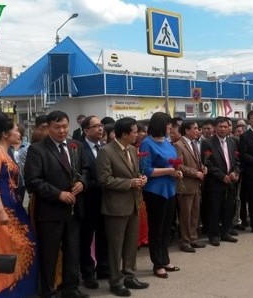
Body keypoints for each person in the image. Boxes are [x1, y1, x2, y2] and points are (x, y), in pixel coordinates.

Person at [24, 111, 89, 298]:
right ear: (48, 127)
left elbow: (86, 169)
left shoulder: (76, 146)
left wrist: (82, 182)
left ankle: (70, 287)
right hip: (50, 212)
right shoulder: (38, 149)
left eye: (65, 127)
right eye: (57, 127)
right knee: (49, 254)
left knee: (72, 251)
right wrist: (58, 194)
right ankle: (48, 290)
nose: (62, 131)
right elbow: (33, 181)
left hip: (74, 210)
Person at [0, 116, 38, 297]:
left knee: (25, 246)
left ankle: (19, 291)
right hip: (0, 208)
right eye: (15, 129)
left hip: (13, 206)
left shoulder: (7, 153)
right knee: (2, 252)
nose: (19, 133)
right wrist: (0, 211)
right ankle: (2, 293)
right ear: (5, 134)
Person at [96, 117, 149, 297]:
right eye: (134, 131)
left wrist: (141, 179)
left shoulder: (133, 149)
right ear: (124, 134)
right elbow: (104, 179)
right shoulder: (106, 151)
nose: (138, 134)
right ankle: (115, 281)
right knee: (115, 246)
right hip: (115, 207)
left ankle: (129, 275)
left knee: (130, 244)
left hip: (133, 203)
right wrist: (129, 183)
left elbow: (133, 172)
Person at [140, 112, 182, 278]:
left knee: (166, 228)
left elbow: (173, 161)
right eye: (168, 125)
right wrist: (169, 171)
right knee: (156, 228)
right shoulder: (147, 143)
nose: (170, 128)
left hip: (170, 189)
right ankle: (157, 263)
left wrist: (176, 172)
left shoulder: (167, 142)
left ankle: (165, 258)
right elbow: (145, 170)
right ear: (160, 124)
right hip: (155, 191)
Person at [78, 116, 109, 289]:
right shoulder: (79, 148)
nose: (99, 129)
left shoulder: (104, 147)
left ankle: (104, 268)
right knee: (86, 238)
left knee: (104, 235)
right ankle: (88, 273)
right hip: (88, 200)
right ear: (86, 130)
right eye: (95, 126)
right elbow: (82, 174)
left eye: (101, 125)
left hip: (105, 200)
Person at [201, 116, 240, 246]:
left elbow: (236, 161)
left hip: (231, 182)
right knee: (214, 209)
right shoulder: (208, 143)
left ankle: (225, 232)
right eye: (220, 127)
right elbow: (208, 163)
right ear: (215, 128)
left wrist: (235, 172)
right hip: (215, 182)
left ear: (229, 128)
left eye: (225, 126)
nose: (223, 129)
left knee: (229, 208)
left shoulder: (232, 142)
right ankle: (214, 235)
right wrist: (222, 176)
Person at [174, 121, 206, 253]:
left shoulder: (195, 144)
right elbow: (179, 165)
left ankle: (193, 238)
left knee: (194, 213)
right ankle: (185, 240)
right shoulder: (179, 145)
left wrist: (203, 168)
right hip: (186, 184)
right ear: (186, 131)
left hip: (196, 184)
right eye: (195, 128)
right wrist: (195, 173)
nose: (198, 131)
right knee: (185, 214)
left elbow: (196, 162)